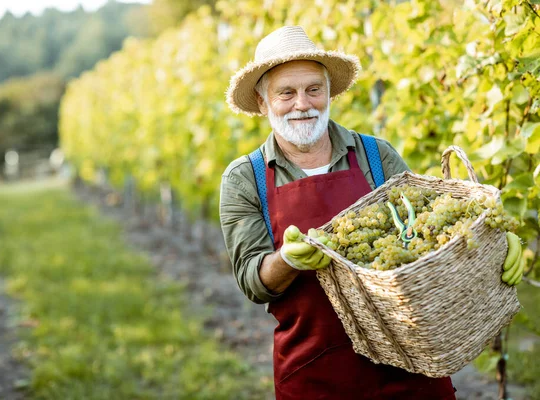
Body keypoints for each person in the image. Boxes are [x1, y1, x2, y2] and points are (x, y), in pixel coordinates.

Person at [219, 26, 522, 399]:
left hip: (411, 365)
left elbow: (426, 233)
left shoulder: (376, 156)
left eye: (314, 89)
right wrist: (288, 260)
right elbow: (251, 279)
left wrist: (491, 242)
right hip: (315, 372)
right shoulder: (244, 178)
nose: (302, 103)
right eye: (286, 93)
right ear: (263, 102)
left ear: (329, 93)